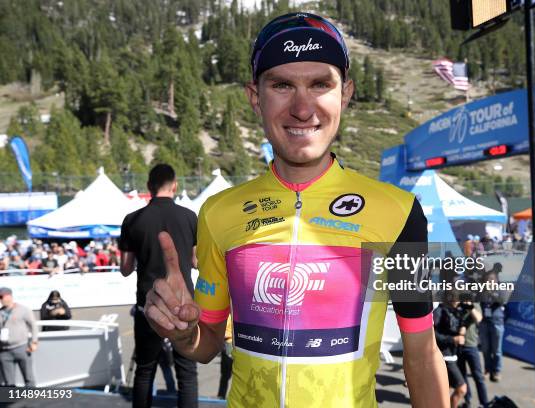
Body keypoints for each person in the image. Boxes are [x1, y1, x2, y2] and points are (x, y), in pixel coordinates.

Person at [144, 12, 448, 407]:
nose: (303, 109)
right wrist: (183, 333)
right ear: (255, 97)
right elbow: (207, 344)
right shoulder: (219, 212)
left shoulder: (401, 212)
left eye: (320, 84)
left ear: (345, 93)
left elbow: (422, 354)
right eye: (282, 85)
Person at [119, 163, 198, 408]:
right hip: (182, 304)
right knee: (186, 373)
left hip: (148, 304)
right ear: (175, 185)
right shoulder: (189, 217)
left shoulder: (132, 220)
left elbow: (125, 269)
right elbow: (196, 262)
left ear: (148, 187)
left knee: (145, 370)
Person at [434, 298, 470, 408]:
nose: (457, 300)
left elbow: (463, 320)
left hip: (454, 354)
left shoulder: (456, 310)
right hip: (445, 356)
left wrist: (463, 327)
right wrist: (453, 339)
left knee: (447, 389)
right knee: (462, 388)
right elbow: (433, 334)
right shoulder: (439, 311)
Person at [0, 287, 38, 386]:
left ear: (9, 296)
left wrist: (34, 342)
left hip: (21, 347)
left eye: (2, 297)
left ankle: (31, 399)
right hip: (4, 351)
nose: (1, 299)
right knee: (9, 382)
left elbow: (33, 326)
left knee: (28, 378)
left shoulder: (23, 310)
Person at [456, 301, 488, 408]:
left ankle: (484, 404)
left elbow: (479, 318)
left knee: (478, 377)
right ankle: (467, 401)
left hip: (471, 345)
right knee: (462, 376)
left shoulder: (474, 304)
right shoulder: (456, 304)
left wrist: (470, 307)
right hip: (458, 346)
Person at [480, 270, 506, 382]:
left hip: (497, 323)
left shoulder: (500, 290)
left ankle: (496, 371)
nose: (489, 281)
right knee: (485, 349)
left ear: (496, 280)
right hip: (484, 323)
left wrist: (491, 293)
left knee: (497, 350)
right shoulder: (482, 291)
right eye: (487, 279)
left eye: (491, 279)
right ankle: (487, 369)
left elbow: (501, 301)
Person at [217, 315, 233, 400]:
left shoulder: (228, 317)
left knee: (225, 374)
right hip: (229, 345)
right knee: (226, 375)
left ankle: (221, 395)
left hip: (228, 345)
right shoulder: (230, 316)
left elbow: (225, 333)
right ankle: (221, 395)